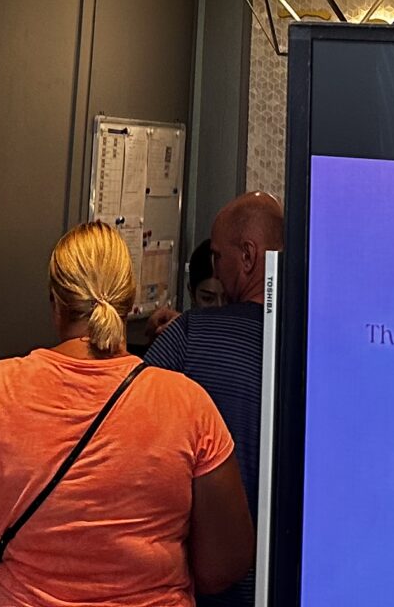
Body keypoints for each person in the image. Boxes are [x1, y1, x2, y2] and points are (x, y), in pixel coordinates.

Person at [0, 222, 253, 607]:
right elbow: (225, 563)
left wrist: (20, 560)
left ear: (56, 303)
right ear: (129, 301)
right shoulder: (187, 403)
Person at [144, 193, 282, 607]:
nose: (216, 270)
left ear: (248, 256)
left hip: (203, 585)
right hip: (291, 578)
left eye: (219, 257)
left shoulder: (189, 338)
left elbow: (126, 424)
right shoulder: (317, 343)